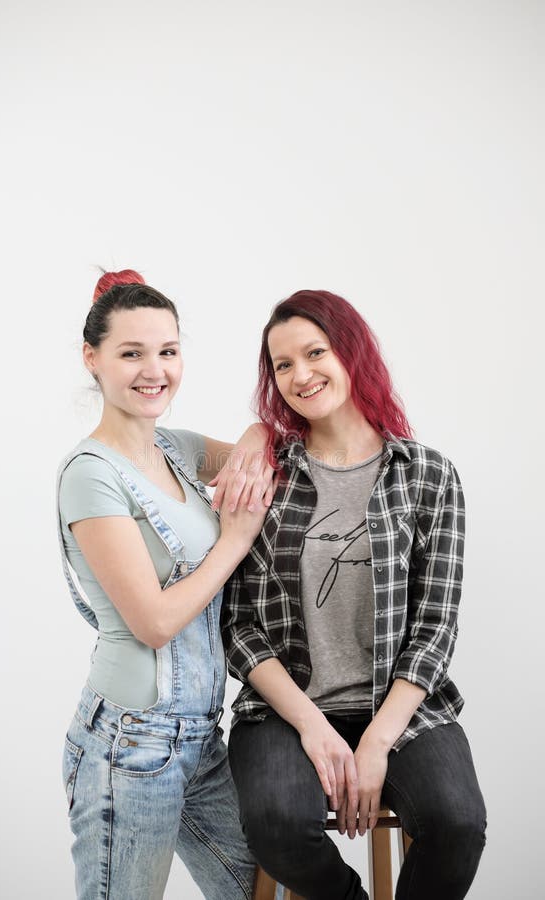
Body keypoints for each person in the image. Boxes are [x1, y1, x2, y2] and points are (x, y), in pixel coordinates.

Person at [222, 290, 487, 900]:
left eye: (315, 353)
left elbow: (435, 626)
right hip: (286, 711)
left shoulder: (428, 475)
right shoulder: (269, 475)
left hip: (403, 707)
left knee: (457, 824)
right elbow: (238, 626)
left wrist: (375, 742)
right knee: (277, 825)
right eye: (282, 365)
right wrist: (313, 725)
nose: (300, 375)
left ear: (352, 352)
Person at [57, 270, 271, 900]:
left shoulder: (175, 449)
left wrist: (258, 431)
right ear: (92, 358)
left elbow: (267, 453)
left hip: (201, 741)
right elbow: (152, 622)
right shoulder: (90, 475)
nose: (155, 371)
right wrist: (233, 538)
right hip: (129, 744)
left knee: (271, 887)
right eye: (132, 353)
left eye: (168, 351)